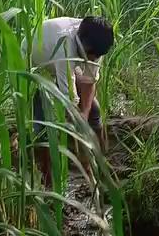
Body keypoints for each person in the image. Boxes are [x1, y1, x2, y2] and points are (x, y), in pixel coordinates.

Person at [21, 16, 114, 186]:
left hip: (59, 59)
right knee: (43, 124)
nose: (94, 60)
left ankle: (102, 162)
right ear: (84, 45)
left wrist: (84, 116)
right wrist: (78, 125)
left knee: (93, 109)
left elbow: (89, 82)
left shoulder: (96, 44)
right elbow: (68, 102)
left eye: (97, 56)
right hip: (33, 61)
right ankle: (48, 180)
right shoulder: (65, 47)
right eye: (92, 56)